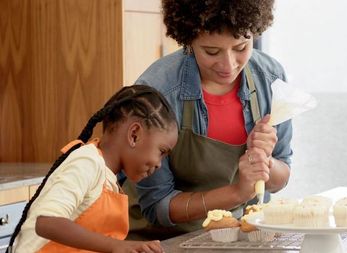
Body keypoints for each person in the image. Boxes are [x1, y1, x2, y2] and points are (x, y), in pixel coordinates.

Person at [133, 0, 293, 234]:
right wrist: (237, 193)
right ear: (189, 39)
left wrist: (264, 162)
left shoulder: (270, 78)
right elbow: (156, 206)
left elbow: (282, 175)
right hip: (163, 241)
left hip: (238, 237)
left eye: (241, 47)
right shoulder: (157, 91)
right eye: (211, 51)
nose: (228, 65)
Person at [9, 85, 178, 253]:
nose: (159, 164)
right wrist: (117, 246)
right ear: (134, 134)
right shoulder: (87, 163)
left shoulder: (110, 179)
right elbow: (46, 222)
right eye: (161, 152)